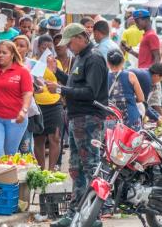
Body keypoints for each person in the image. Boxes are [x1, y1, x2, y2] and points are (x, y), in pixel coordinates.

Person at [46, 24, 108, 227]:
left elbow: (90, 92)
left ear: (81, 38)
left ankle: (94, 214)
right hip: (76, 118)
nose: (69, 47)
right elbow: (76, 85)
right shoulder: (80, 57)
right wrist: (58, 75)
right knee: (76, 168)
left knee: (90, 166)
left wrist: (61, 88)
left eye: (70, 42)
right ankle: (74, 213)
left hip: (89, 118)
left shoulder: (94, 58)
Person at [32, 35, 64, 170]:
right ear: (38, 48)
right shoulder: (32, 62)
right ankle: (41, 169)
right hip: (38, 104)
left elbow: (61, 81)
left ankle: (51, 170)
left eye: (49, 48)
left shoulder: (56, 62)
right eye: (43, 47)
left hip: (55, 103)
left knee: (55, 138)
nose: (46, 50)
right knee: (39, 138)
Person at [105, 50, 144, 129]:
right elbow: (141, 98)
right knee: (133, 140)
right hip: (131, 117)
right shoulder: (130, 75)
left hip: (112, 118)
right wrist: (129, 99)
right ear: (123, 61)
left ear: (108, 63)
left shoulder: (103, 77)